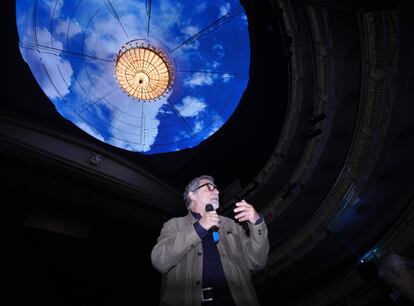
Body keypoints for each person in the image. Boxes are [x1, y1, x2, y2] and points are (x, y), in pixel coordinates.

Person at [151, 175, 269, 306]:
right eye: (210, 187)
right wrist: (200, 227)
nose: (217, 192)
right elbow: (159, 261)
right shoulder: (174, 225)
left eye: (217, 189)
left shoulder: (231, 225)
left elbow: (257, 262)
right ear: (192, 194)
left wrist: (257, 223)